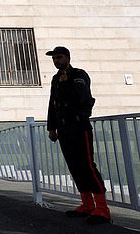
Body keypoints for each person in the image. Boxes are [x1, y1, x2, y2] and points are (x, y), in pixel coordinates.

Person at [46, 46, 111, 225]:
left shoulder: (79, 75)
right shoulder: (55, 79)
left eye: (59, 57)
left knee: (87, 165)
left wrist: (67, 83)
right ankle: (87, 204)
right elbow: (53, 103)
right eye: (54, 59)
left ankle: (102, 208)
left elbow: (81, 99)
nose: (56, 61)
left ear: (67, 57)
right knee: (74, 166)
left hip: (79, 127)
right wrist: (51, 127)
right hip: (64, 128)